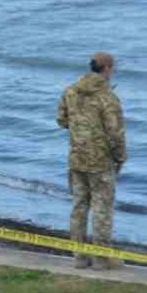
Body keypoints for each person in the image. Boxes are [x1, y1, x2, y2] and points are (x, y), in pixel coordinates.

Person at [57, 50, 127, 269]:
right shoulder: (108, 98)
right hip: (100, 162)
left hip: (77, 158)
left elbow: (61, 120)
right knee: (101, 209)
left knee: (79, 206)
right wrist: (120, 157)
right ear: (107, 69)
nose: (112, 72)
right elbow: (116, 134)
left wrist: (80, 131)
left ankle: (79, 257)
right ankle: (100, 259)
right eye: (112, 68)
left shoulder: (70, 91)